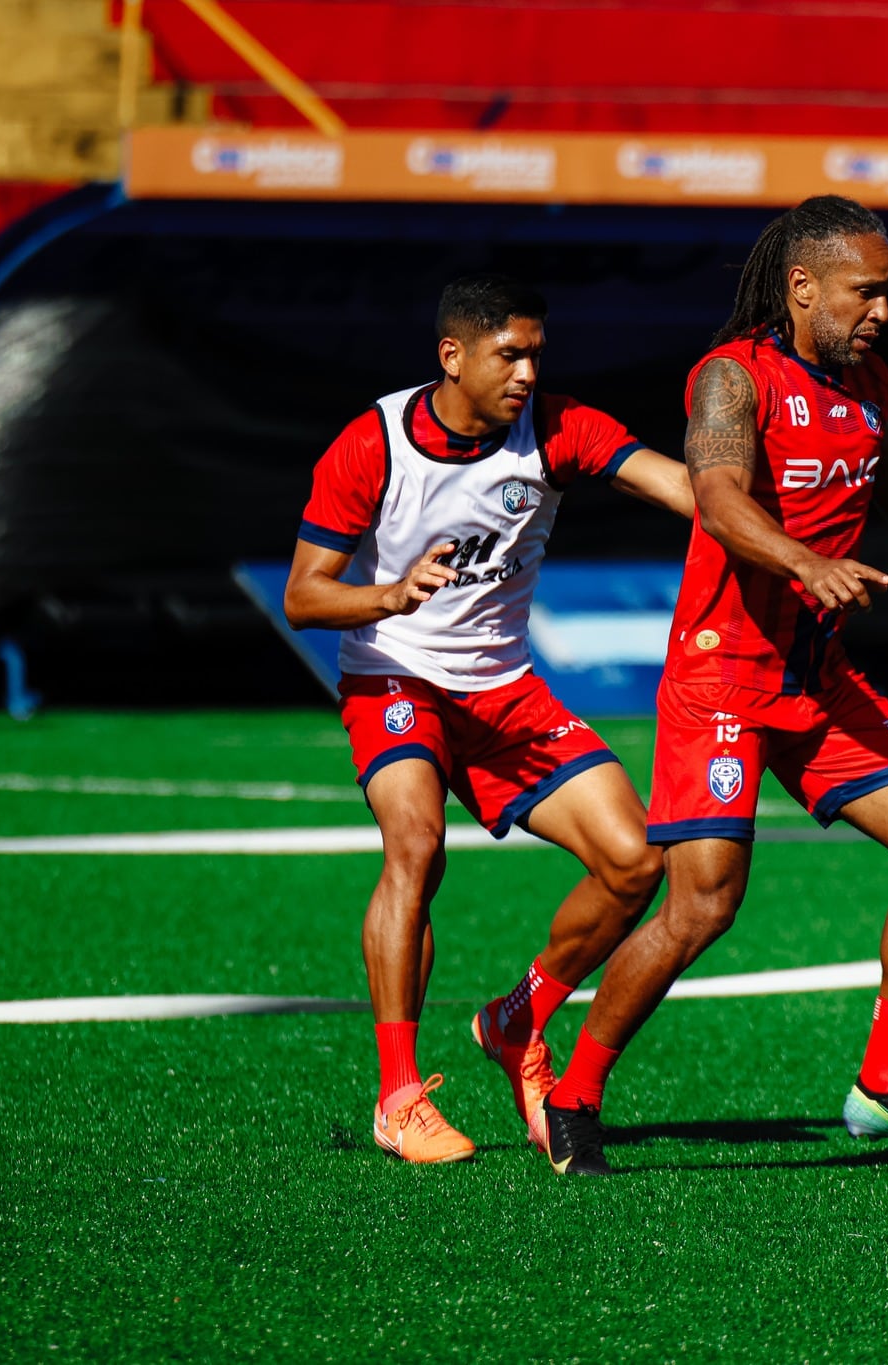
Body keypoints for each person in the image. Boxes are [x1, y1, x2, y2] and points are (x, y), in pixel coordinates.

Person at [534, 195, 888, 1176]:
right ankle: (573, 1093)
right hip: (721, 680)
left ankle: (886, 1080)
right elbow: (716, 497)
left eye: (887, 292)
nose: (881, 312)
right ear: (802, 287)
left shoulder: (867, 382)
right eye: (864, 292)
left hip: (816, 678)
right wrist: (801, 561)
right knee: (701, 908)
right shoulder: (731, 379)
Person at [284, 273, 694, 1164]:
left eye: (536, 354)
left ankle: (518, 1018)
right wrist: (390, 594)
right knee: (416, 845)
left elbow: (678, 486)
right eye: (510, 355)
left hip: (505, 689)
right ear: (453, 355)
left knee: (636, 859)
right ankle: (399, 1096)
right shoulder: (373, 442)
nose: (527, 373)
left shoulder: (557, 426)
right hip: (394, 677)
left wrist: (774, 516)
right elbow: (304, 597)